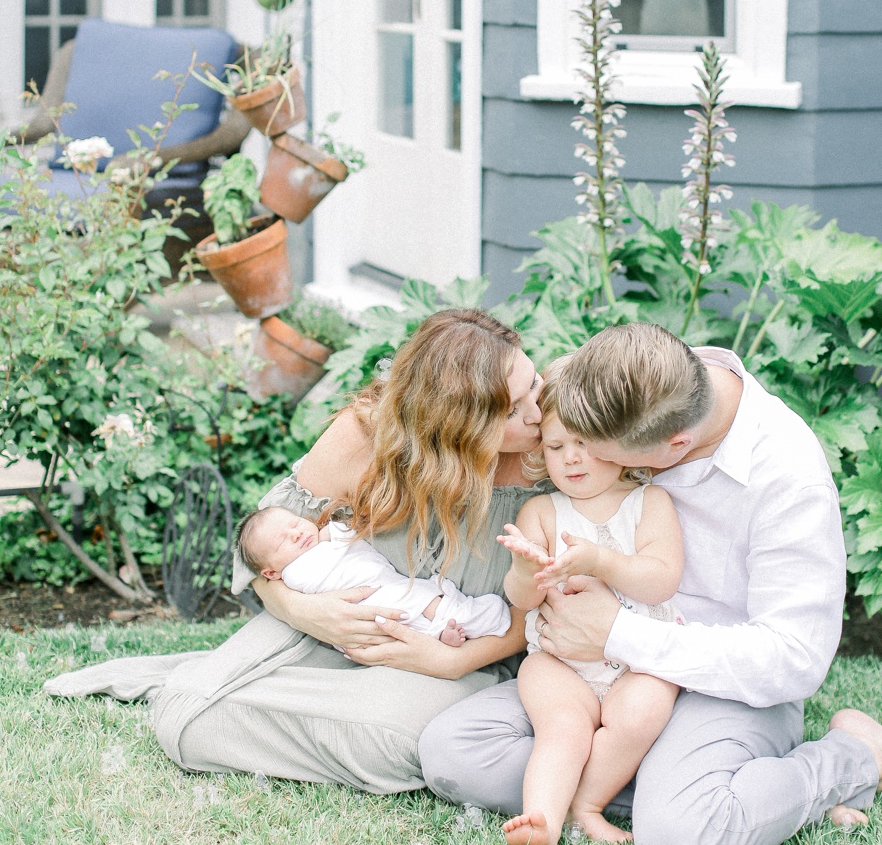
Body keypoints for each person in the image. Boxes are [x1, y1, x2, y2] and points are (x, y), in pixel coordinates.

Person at [419, 323, 882, 845]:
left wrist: (616, 632)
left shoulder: (788, 479)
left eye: (602, 454)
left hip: (723, 683)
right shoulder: (631, 383)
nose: (580, 462)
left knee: (681, 839)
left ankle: (854, 757)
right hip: (590, 675)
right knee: (454, 753)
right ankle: (704, 786)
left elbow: (794, 659)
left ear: (675, 447)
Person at [45, 308, 543, 794]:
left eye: (534, 384)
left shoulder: (551, 461)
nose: (537, 415)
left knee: (391, 742)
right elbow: (264, 554)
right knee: (185, 716)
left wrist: (448, 662)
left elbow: (539, 619)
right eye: (512, 409)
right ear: (456, 422)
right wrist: (307, 611)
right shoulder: (366, 435)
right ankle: (230, 695)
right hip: (326, 633)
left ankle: (258, 701)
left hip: (465, 653)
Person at [496, 367, 683, 845]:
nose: (571, 458)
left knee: (641, 713)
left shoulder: (649, 502)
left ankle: (588, 804)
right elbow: (522, 600)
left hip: (638, 659)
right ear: (541, 455)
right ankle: (542, 822)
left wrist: (603, 561)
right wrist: (523, 568)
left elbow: (662, 578)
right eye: (556, 447)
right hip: (559, 662)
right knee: (562, 729)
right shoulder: (541, 513)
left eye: (584, 442)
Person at [235, 504, 511, 647]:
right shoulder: (295, 574)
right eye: (283, 541)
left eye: (295, 523)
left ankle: (440, 634)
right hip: (374, 600)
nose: (296, 534)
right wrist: (329, 532)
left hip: (383, 592)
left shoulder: (318, 546)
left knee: (415, 608)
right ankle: (476, 619)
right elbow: (342, 535)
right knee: (420, 602)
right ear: (271, 572)